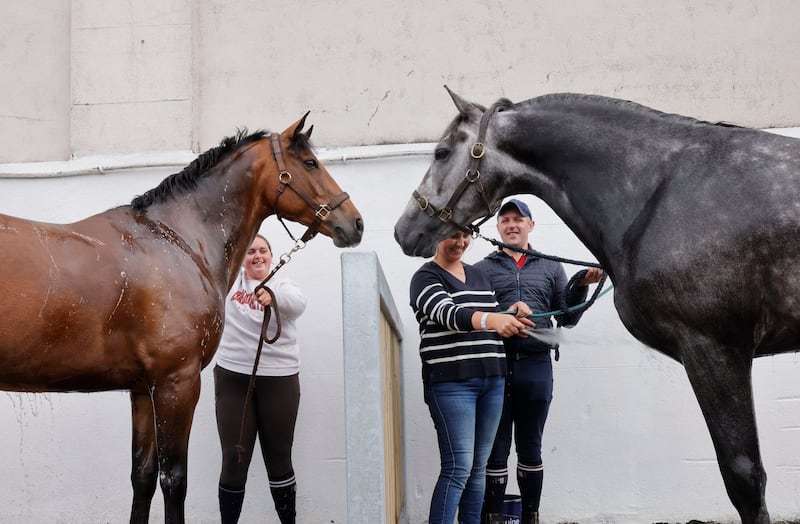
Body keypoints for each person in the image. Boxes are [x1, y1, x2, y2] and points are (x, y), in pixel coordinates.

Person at [474, 199, 603, 524]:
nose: (512, 225)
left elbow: (568, 317)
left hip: (536, 367)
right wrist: (503, 314)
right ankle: (493, 517)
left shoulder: (550, 266)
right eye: (505, 220)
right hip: (495, 367)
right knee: (495, 449)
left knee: (531, 447)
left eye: (519, 219)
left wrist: (580, 285)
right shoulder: (481, 269)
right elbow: (477, 318)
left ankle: (531, 516)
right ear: (498, 227)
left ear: (531, 226)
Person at [409, 230, 535, 524]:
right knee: (458, 467)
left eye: (466, 235)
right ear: (434, 236)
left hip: (492, 379)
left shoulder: (479, 276)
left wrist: (509, 314)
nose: (460, 242)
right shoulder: (425, 277)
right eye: (452, 235)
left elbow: (486, 317)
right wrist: (493, 318)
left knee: (479, 468)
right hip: (452, 383)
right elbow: (449, 314)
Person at [214, 234, 307, 524]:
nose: (257, 256)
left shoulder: (282, 284)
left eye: (263, 251)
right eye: (250, 250)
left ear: (271, 255)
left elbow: (298, 303)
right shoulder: (229, 282)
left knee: (279, 458)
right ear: (242, 257)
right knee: (233, 458)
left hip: (278, 380)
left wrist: (272, 296)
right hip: (233, 379)